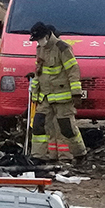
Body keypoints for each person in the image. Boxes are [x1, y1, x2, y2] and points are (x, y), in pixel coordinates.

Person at [30, 22, 87, 161]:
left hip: (62, 97)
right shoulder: (40, 49)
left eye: (39, 39)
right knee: (39, 125)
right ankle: (38, 156)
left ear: (47, 35)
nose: (38, 42)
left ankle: (79, 153)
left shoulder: (62, 48)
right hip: (45, 97)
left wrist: (76, 93)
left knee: (66, 128)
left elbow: (73, 70)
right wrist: (34, 93)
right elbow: (39, 73)